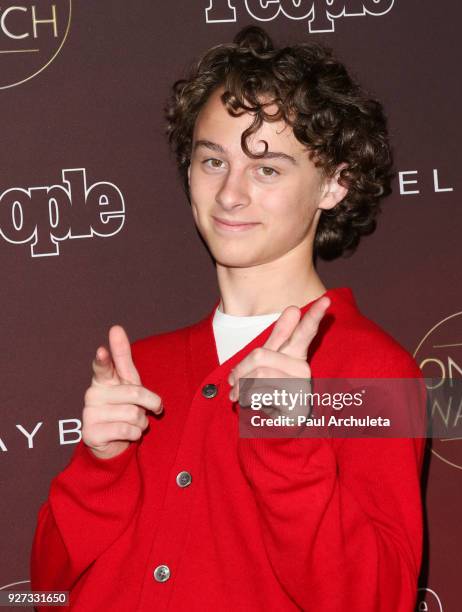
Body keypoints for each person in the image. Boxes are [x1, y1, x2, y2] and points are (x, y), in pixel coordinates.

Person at [30, 25, 426, 611]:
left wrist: (288, 441)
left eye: (267, 169)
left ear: (334, 185)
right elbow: (46, 585)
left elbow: (376, 600)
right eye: (212, 160)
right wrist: (100, 468)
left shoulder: (376, 373)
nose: (229, 194)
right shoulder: (144, 367)